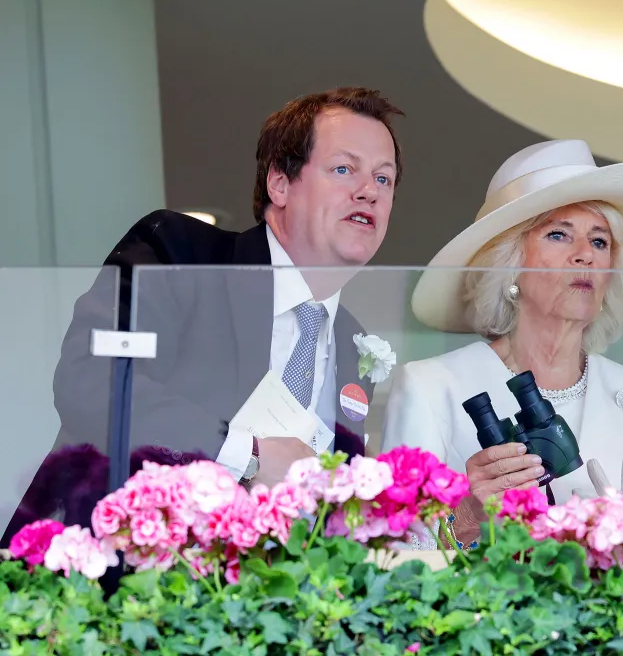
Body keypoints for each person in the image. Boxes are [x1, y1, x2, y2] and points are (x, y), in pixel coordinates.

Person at [49, 87, 404, 490]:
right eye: (344, 169)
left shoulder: (353, 343)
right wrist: (246, 455)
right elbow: (93, 381)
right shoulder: (180, 253)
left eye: (383, 178)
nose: (369, 191)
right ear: (280, 184)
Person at [380, 139, 623, 548]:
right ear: (510, 263)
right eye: (559, 235)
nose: (585, 255)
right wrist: (465, 516)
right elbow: (392, 558)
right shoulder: (430, 388)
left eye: (599, 241)